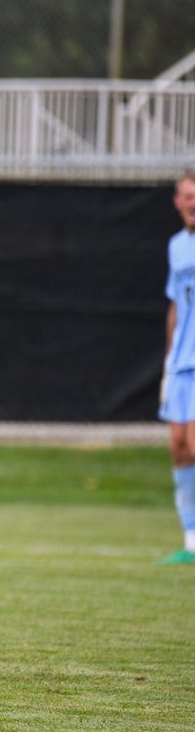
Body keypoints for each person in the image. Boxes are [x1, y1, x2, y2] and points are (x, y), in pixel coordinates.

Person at [160, 169, 195, 565]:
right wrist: (169, 360)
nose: (192, 202)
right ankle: (191, 541)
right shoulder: (177, 246)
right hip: (182, 363)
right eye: (187, 196)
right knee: (180, 449)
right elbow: (176, 304)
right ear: (177, 202)